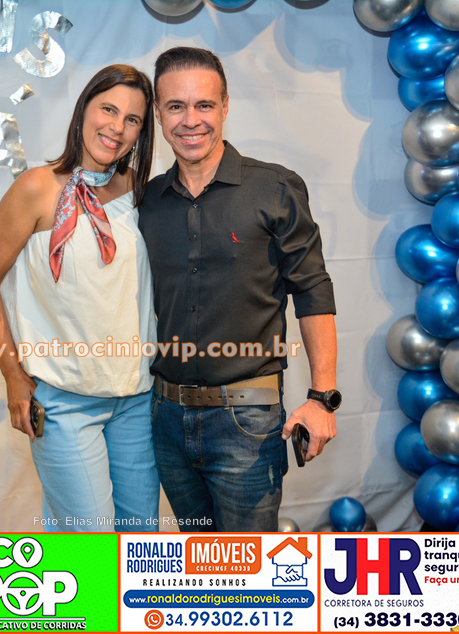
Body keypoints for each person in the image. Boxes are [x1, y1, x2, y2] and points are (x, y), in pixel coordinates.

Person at [139, 47, 339, 532]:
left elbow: (312, 289)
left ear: (225, 106)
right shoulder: (147, 201)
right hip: (165, 420)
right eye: (176, 106)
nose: (191, 120)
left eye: (204, 105)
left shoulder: (275, 189)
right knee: (199, 560)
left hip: (247, 425)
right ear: (159, 114)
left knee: (246, 570)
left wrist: (322, 397)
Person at [0, 64, 159, 532]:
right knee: (89, 542)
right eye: (108, 109)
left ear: (141, 133)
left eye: (132, 119)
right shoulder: (36, 188)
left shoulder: (140, 193)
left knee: (141, 541)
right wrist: (13, 375)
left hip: (136, 399)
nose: (117, 127)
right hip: (62, 402)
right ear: (83, 110)